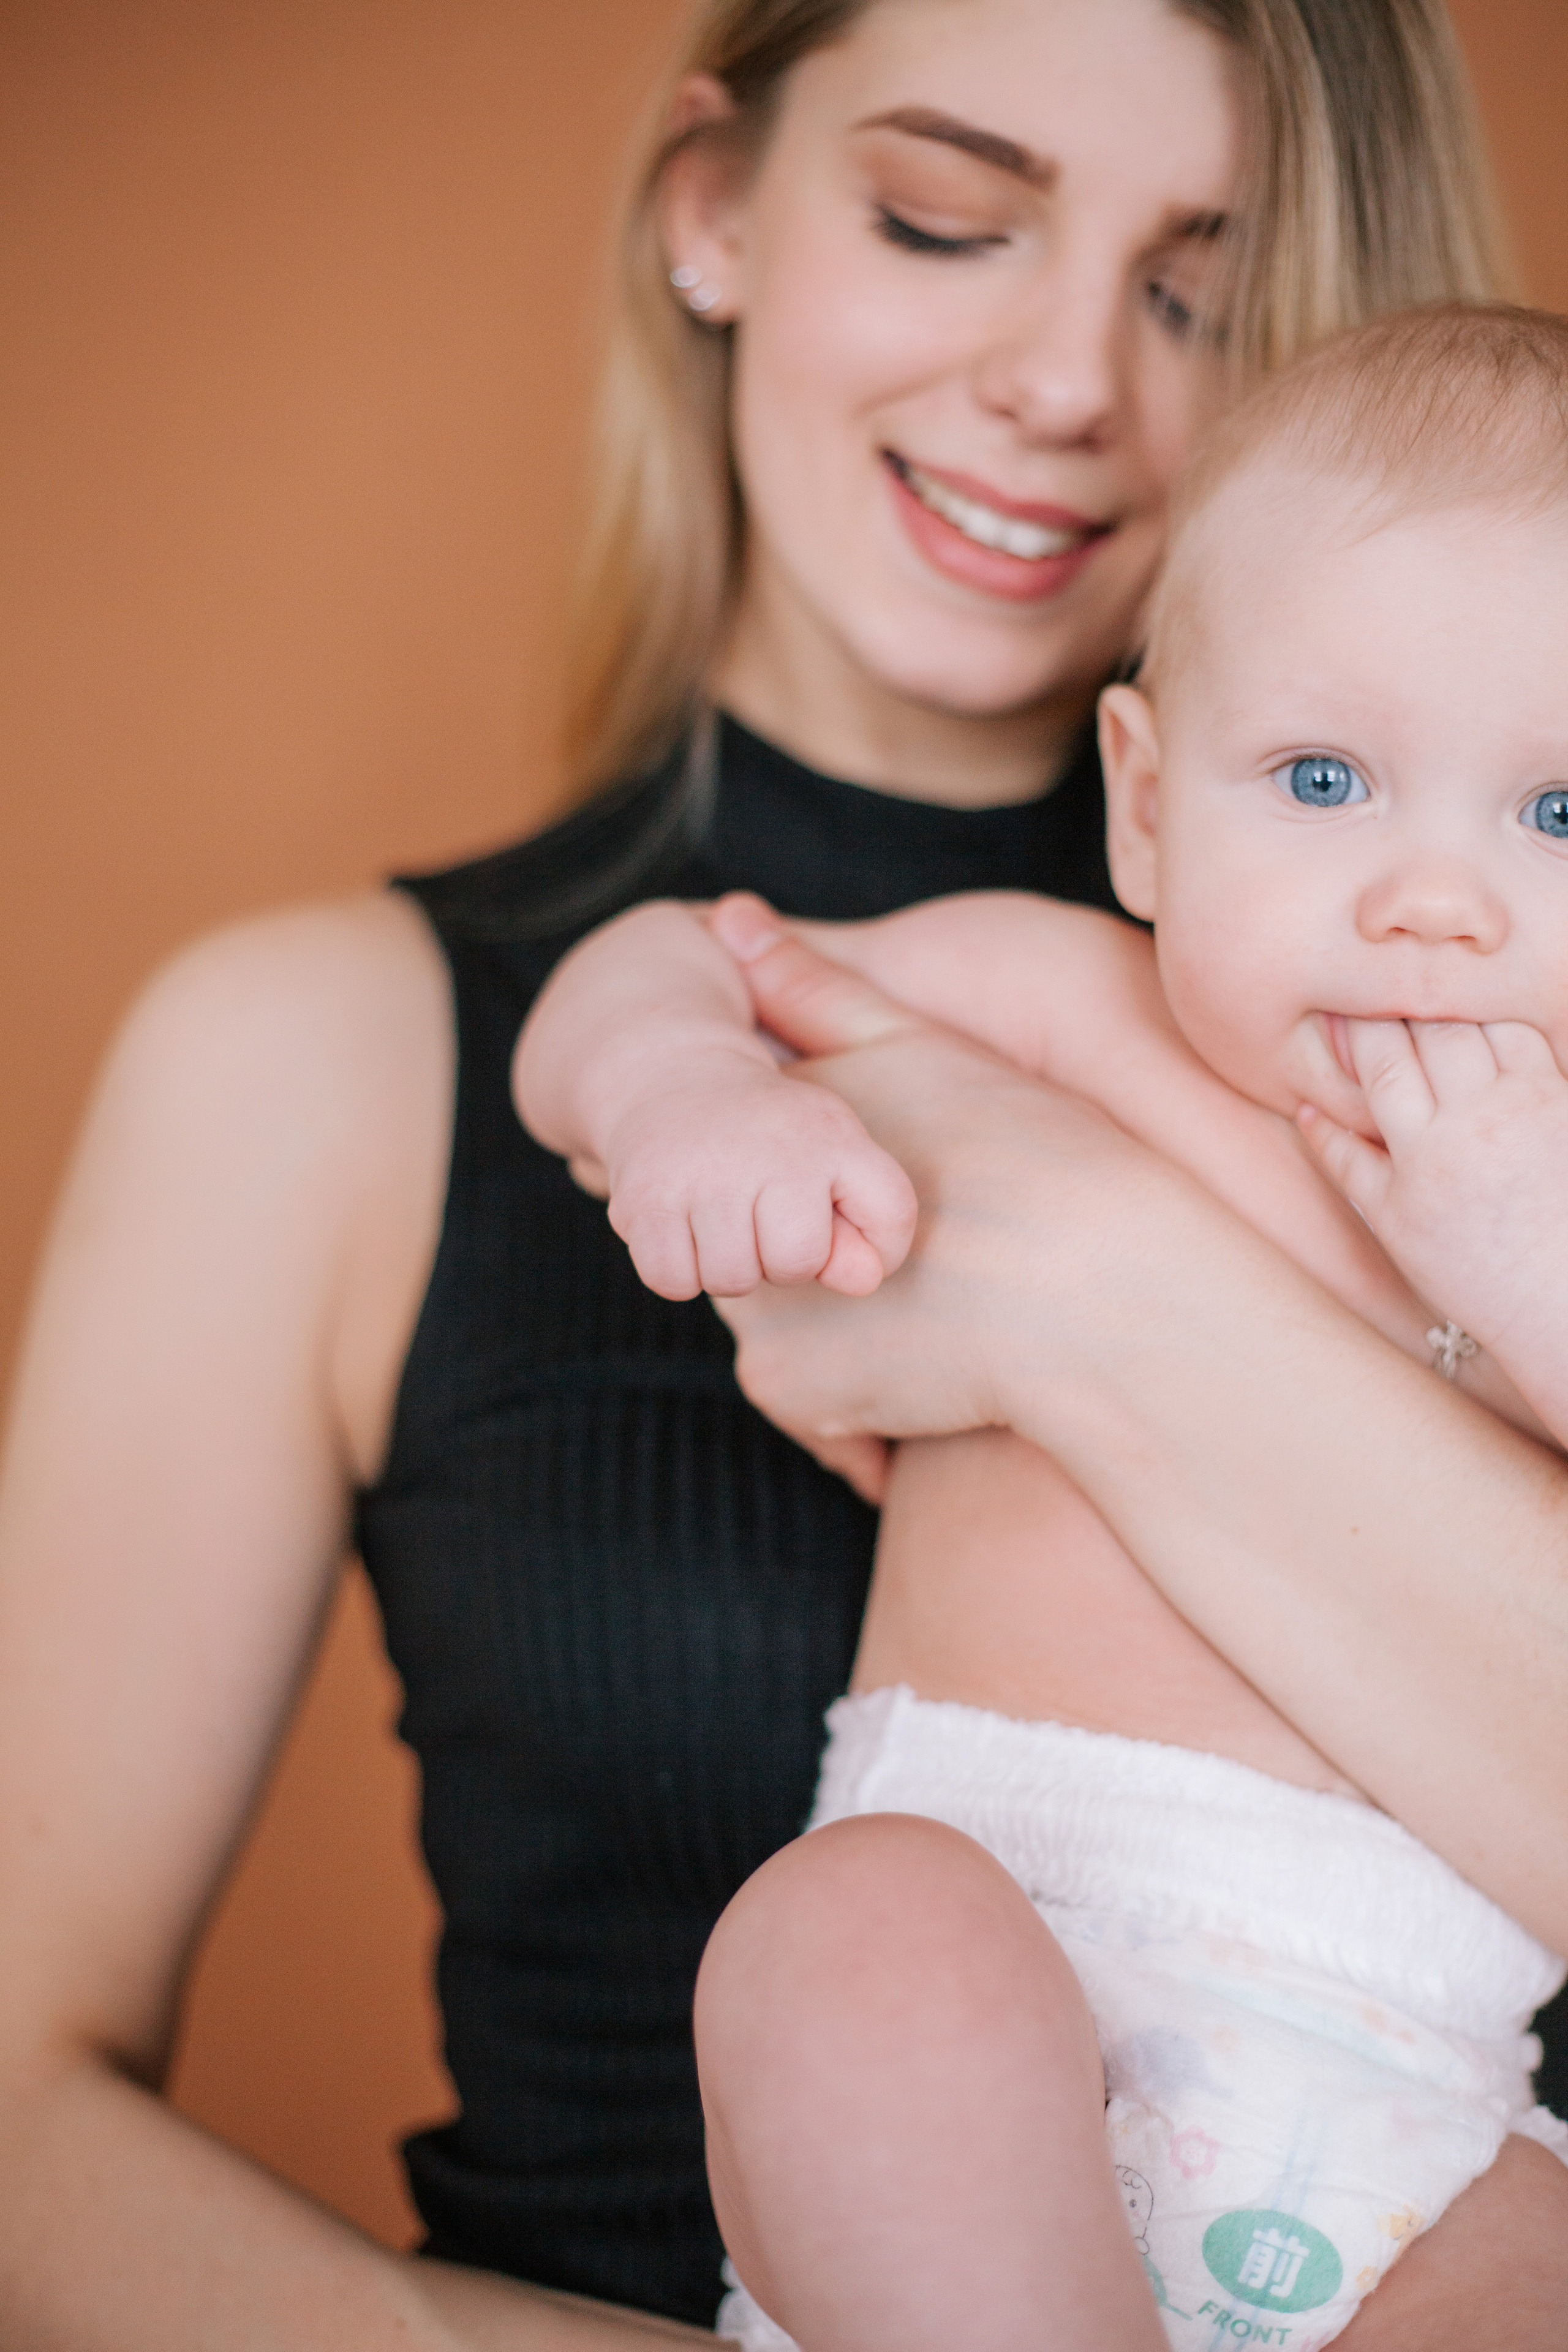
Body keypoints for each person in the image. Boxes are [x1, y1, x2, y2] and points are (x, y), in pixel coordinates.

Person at [0, 1, 1563, 2345]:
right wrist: (691, 1106)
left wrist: (1097, 1290)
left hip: (1412, 2153)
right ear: (710, 205)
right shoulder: (352, 1050)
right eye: (948, 218)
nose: (1064, 380)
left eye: (1202, 298)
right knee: (858, 1950)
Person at [513, 300, 1568, 2348]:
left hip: (1420, 2107)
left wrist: (1525, 1261)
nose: (1437, 904)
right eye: (1328, 778)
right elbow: (666, 959)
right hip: (999, 1953)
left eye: (1566, 816)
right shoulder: (1055, 1004)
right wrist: (678, 1094)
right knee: (839, 1940)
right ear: (1148, 806)